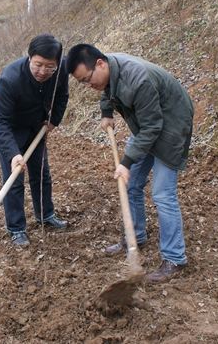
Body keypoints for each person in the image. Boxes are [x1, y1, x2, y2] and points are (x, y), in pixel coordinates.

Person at [67, 44, 194, 283]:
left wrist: (126, 162)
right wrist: (107, 113)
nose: (87, 85)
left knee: (162, 194)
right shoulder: (108, 68)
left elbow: (153, 127)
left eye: (87, 79)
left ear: (100, 64)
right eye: (81, 82)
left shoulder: (137, 80)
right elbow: (106, 90)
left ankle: (175, 258)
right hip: (148, 121)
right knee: (131, 183)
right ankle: (135, 236)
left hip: (171, 123)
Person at [0, 34, 69, 246]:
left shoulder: (61, 69)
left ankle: (45, 214)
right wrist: (14, 154)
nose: (43, 71)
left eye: (49, 66)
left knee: (41, 172)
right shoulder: (11, 79)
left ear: (58, 62)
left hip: (37, 123)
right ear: (29, 57)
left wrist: (54, 120)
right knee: (14, 177)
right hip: (10, 124)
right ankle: (16, 228)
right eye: (38, 65)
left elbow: (62, 95)